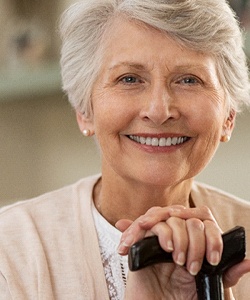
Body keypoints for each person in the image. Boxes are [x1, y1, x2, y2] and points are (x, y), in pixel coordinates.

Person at [1, 0, 250, 299]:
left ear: (229, 116)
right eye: (129, 79)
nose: (159, 111)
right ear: (84, 110)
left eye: (189, 80)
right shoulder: (10, 250)